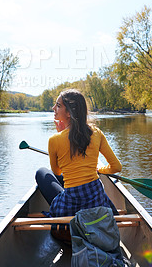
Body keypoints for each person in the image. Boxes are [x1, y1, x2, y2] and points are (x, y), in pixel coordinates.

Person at [35, 89, 122, 217]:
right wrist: (99, 170)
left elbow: (57, 171)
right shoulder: (97, 133)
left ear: (69, 113)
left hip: (70, 207)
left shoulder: (54, 140)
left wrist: (61, 133)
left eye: (58, 106)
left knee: (42, 172)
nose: (53, 108)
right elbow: (116, 167)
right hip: (96, 200)